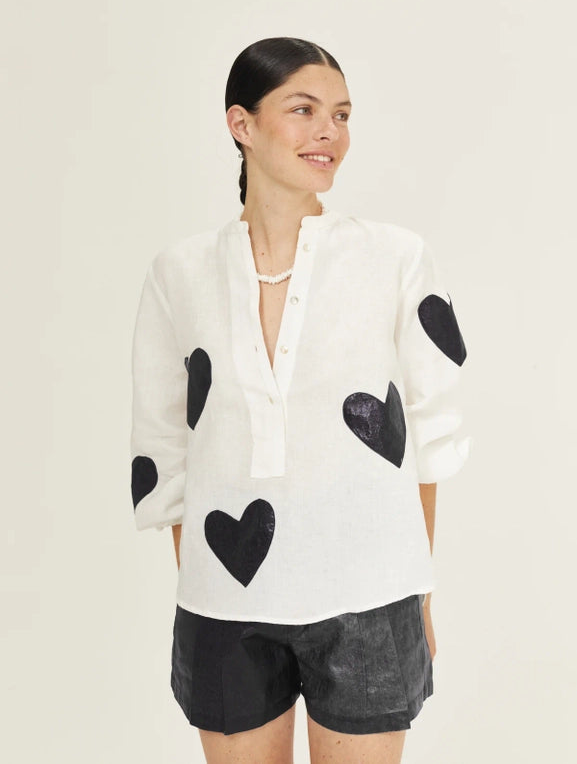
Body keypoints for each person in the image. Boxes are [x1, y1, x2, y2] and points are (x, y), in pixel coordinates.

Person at [130, 37, 471, 764]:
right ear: (241, 124)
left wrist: (414, 587)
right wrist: (205, 587)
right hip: (223, 604)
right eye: (303, 109)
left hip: (370, 597)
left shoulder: (395, 257)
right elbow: (162, 444)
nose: (329, 132)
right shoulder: (178, 273)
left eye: (341, 115)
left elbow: (431, 431)